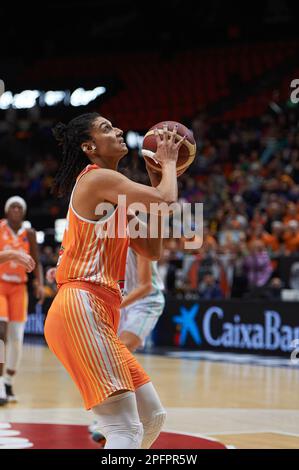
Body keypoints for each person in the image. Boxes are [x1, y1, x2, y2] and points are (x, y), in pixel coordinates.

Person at [44, 113, 185, 449]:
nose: (119, 130)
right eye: (107, 129)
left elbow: (151, 249)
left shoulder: (117, 195)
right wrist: (168, 165)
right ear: (89, 146)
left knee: (151, 418)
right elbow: (167, 199)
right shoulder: (97, 179)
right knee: (125, 429)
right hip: (82, 306)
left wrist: (155, 178)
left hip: (98, 312)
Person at [88, 246, 165, 443]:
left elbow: (145, 286)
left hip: (146, 301)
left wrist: (113, 304)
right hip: (123, 301)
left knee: (118, 351)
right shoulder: (111, 239)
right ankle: (114, 415)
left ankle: (121, 416)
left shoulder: (139, 240)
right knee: (105, 355)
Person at [0, 196, 44, 405]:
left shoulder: (30, 233)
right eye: (13, 206)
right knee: (1, 332)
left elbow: (37, 262)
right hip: (0, 285)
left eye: (20, 207)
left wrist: (39, 283)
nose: (16, 209)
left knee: (17, 337)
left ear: (24, 212)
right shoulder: (0, 228)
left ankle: (8, 380)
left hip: (19, 288)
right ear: (7, 211)